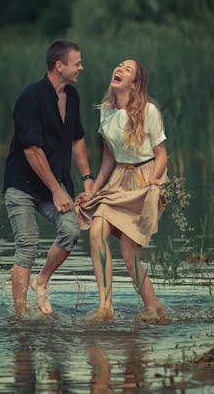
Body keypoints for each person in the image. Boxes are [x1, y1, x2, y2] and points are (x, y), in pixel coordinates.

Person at [3, 40, 95, 317]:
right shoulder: (30, 97)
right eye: (77, 63)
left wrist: (87, 179)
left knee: (71, 231)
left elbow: (77, 139)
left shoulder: (74, 96)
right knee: (28, 245)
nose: (81, 67)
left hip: (56, 187)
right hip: (23, 186)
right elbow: (32, 150)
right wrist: (56, 190)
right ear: (59, 65)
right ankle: (20, 317)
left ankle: (41, 281)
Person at [75, 58, 170, 323]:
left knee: (129, 254)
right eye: (119, 66)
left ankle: (155, 307)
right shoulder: (105, 110)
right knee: (96, 231)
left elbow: (162, 155)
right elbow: (109, 158)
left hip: (145, 179)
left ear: (135, 84)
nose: (119, 69)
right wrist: (93, 191)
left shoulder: (149, 111)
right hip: (118, 180)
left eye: (127, 70)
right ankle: (106, 307)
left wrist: (154, 181)